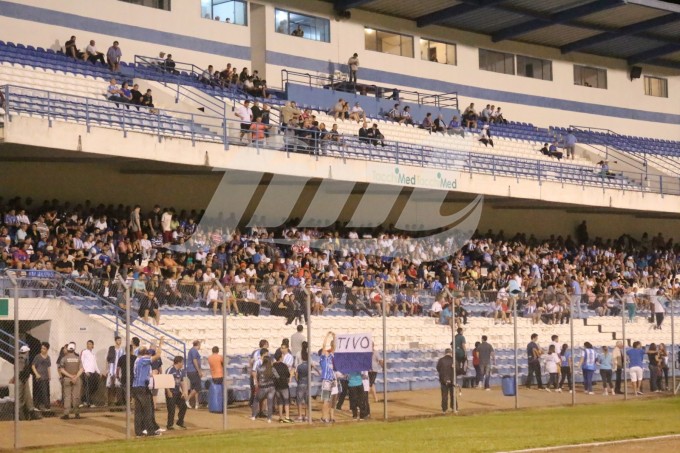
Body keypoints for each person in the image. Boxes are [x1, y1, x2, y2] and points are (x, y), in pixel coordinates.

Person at [132, 341, 163, 437]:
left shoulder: (137, 360)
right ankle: (150, 431)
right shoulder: (143, 360)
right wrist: (160, 344)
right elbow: (157, 355)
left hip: (136, 387)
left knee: (139, 411)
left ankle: (139, 432)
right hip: (142, 388)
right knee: (148, 410)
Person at [11, 345, 41, 420]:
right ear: (26, 352)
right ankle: (21, 416)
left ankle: (30, 413)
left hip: (23, 379)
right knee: (20, 397)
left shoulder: (21, 357)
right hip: (21, 379)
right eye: (28, 351)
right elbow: (20, 370)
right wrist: (22, 378)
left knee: (27, 396)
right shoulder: (22, 358)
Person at [58, 342, 83, 420]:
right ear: (74, 349)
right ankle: (77, 413)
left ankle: (66, 414)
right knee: (76, 396)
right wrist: (75, 377)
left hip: (67, 379)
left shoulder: (64, 358)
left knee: (67, 396)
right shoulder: (78, 358)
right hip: (76, 378)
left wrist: (70, 376)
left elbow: (61, 370)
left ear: (68, 349)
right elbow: (81, 369)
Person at [251, 355, 277, 423]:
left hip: (262, 387)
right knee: (270, 403)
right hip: (271, 387)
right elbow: (277, 376)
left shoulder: (260, 368)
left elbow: (258, 376)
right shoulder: (272, 368)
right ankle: (269, 418)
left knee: (256, 400)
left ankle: (253, 415)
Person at [165, 355, 188, 431]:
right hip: (171, 392)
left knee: (183, 406)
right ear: (178, 362)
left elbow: (182, 382)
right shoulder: (170, 370)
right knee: (171, 409)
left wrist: (184, 392)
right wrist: (168, 391)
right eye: (182, 362)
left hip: (177, 392)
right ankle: (170, 425)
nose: (183, 364)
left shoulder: (180, 371)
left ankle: (180, 422)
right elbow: (165, 381)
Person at [319, 332, 336, 424]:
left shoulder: (330, 357)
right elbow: (324, 346)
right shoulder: (323, 359)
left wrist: (334, 337)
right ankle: (323, 417)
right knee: (326, 400)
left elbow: (334, 347)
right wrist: (326, 336)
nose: (326, 352)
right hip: (326, 381)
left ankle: (325, 417)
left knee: (329, 401)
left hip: (331, 380)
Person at [272, 350, 292, 423]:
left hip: (277, 386)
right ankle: (287, 417)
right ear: (280, 357)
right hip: (284, 385)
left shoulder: (273, 366)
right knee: (286, 401)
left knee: (279, 402)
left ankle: (280, 417)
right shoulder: (284, 365)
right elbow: (288, 375)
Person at [80, 340, 100, 407]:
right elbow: (81, 362)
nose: (88, 345)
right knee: (88, 387)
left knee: (94, 387)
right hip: (87, 372)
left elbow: (95, 364)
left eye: (90, 344)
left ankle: (84, 399)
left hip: (93, 372)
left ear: (92, 345)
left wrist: (99, 372)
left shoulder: (93, 354)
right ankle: (89, 403)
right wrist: (85, 371)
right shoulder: (84, 352)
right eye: (87, 344)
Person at [31, 342, 51, 411]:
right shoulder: (37, 357)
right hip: (39, 377)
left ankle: (41, 405)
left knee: (46, 391)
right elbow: (33, 366)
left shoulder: (48, 357)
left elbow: (48, 367)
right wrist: (36, 374)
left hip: (46, 377)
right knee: (42, 391)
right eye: (42, 348)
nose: (42, 350)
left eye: (44, 348)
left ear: (47, 349)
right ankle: (43, 406)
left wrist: (49, 375)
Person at [106, 336, 124, 406]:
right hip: (111, 369)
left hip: (118, 370)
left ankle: (117, 402)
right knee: (110, 387)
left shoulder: (122, 350)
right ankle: (110, 402)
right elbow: (108, 360)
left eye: (120, 340)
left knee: (118, 387)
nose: (120, 341)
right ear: (115, 341)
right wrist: (107, 369)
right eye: (118, 340)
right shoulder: (111, 349)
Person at [436, 348, 454, 414]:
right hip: (452, 379)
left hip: (443, 379)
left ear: (445, 353)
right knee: (453, 394)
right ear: (451, 353)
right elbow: (457, 369)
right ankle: (454, 407)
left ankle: (444, 409)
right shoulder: (453, 360)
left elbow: (438, 368)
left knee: (444, 395)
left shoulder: (441, 360)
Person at [185, 340, 202, 409]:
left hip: (191, 371)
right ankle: (187, 399)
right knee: (197, 387)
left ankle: (196, 403)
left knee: (195, 388)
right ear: (198, 344)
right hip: (193, 371)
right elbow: (194, 360)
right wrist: (199, 371)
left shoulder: (192, 350)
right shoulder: (194, 351)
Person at [294, 344, 309, 422]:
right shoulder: (309, 366)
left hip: (300, 383)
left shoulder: (299, 366)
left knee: (299, 400)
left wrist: (298, 380)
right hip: (307, 383)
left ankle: (300, 415)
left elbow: (296, 375)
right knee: (306, 400)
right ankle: (306, 416)